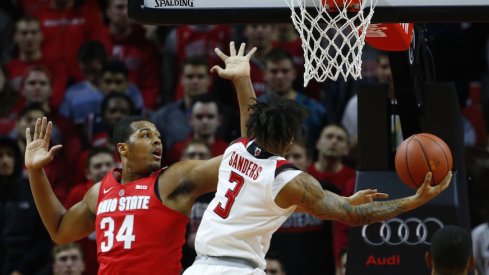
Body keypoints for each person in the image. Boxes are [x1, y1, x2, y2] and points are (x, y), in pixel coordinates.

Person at [25, 42, 257, 274]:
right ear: (123, 149)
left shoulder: (172, 181)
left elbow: (249, 155)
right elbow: (59, 230)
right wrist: (36, 173)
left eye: (158, 136)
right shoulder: (99, 192)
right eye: (146, 135)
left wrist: (242, 82)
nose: (157, 141)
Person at [183, 96, 452, 275]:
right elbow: (355, 216)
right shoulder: (286, 179)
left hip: (197, 267)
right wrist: (414, 200)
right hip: (237, 269)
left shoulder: (235, 150)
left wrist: (241, 77)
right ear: (290, 139)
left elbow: (248, 121)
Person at [0, 137, 52, 275]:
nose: (5, 161)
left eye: (9, 155)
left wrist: (21, 270)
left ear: (17, 159)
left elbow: (44, 240)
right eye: (0, 156)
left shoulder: (32, 190)